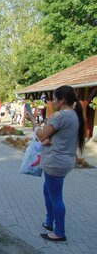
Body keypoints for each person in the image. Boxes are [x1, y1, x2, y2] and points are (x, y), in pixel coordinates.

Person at [25, 85, 85, 242]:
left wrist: (33, 121)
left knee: (56, 197)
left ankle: (59, 232)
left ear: (62, 100)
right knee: (48, 191)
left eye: (55, 99)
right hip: (64, 160)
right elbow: (59, 137)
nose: (52, 101)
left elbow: (42, 135)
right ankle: (49, 222)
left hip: (55, 162)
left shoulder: (61, 116)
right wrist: (50, 139)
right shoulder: (73, 114)